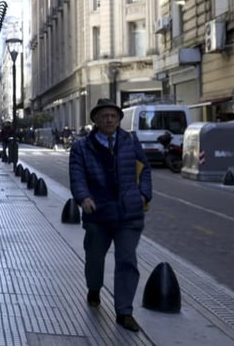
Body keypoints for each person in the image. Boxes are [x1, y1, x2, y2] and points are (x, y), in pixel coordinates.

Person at [69, 98, 151, 333]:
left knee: (127, 260)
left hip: (129, 214)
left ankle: (124, 312)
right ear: (95, 119)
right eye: (104, 116)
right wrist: (83, 198)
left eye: (113, 116)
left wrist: (144, 195)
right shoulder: (81, 147)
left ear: (118, 119)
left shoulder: (130, 141)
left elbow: (145, 170)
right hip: (98, 213)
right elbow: (77, 176)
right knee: (95, 257)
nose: (109, 119)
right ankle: (94, 288)